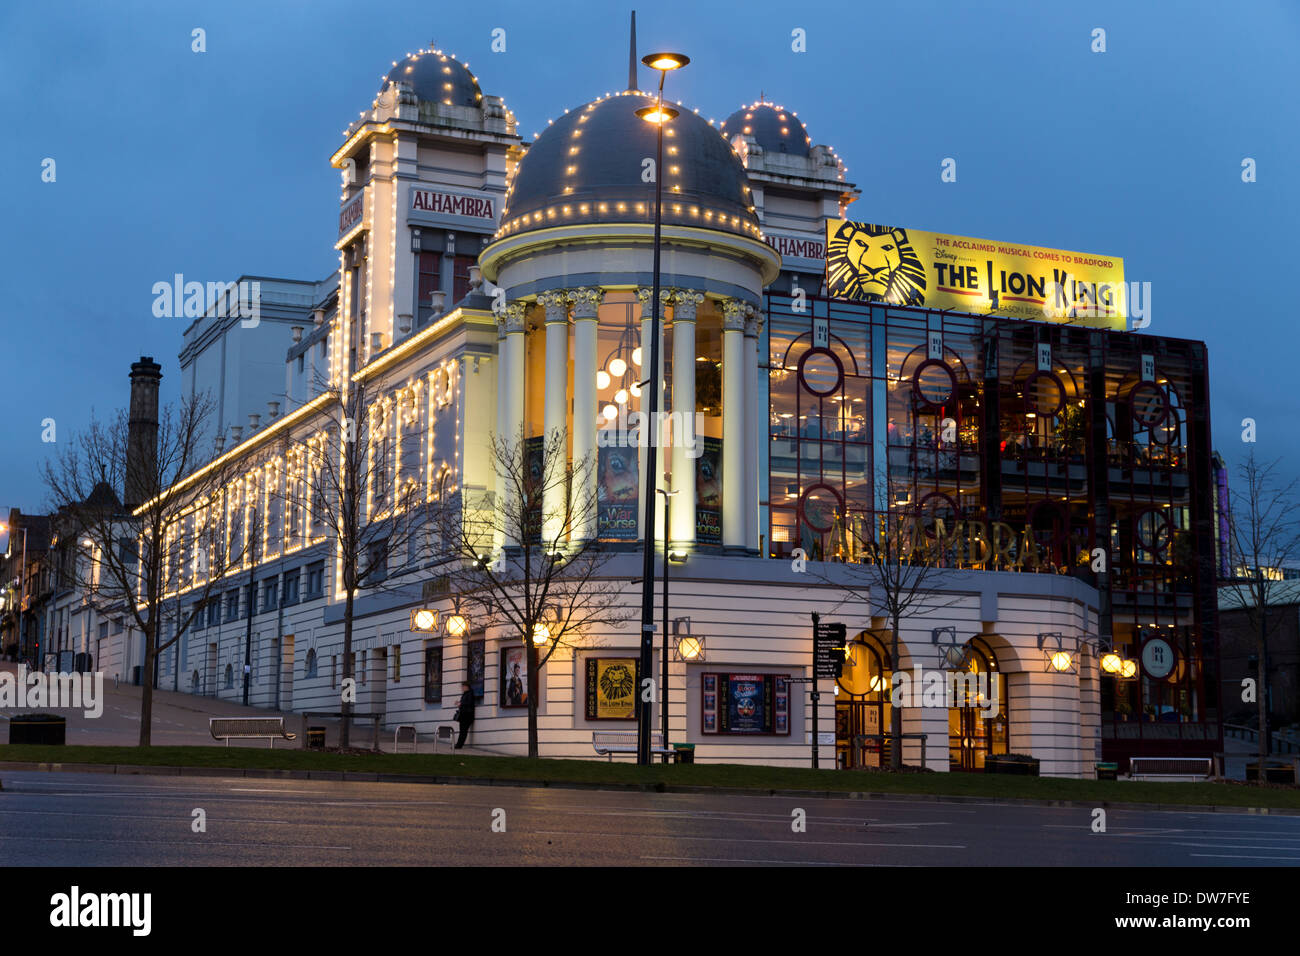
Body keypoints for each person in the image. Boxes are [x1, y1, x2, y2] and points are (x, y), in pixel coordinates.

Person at [453, 680, 476, 749]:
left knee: (463, 731)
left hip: (467, 715)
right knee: (462, 731)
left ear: (466, 686)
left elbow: (469, 703)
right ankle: (458, 745)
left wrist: (461, 703)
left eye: (462, 686)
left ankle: (459, 745)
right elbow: (464, 703)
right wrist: (459, 703)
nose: (462, 688)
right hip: (464, 715)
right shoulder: (465, 694)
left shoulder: (470, 693)